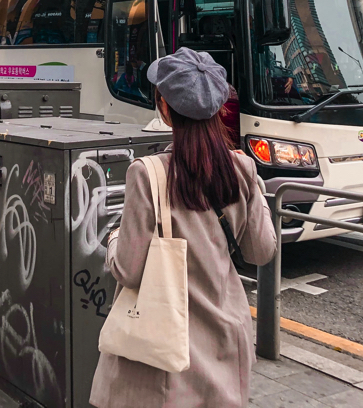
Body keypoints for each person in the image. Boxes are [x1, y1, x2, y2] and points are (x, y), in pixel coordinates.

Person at [90, 47, 276, 408]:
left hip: (164, 347)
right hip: (225, 336)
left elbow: (128, 271)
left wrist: (113, 239)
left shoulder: (148, 173)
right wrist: (256, 188)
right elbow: (260, 251)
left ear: (164, 108)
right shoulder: (242, 169)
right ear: (219, 107)